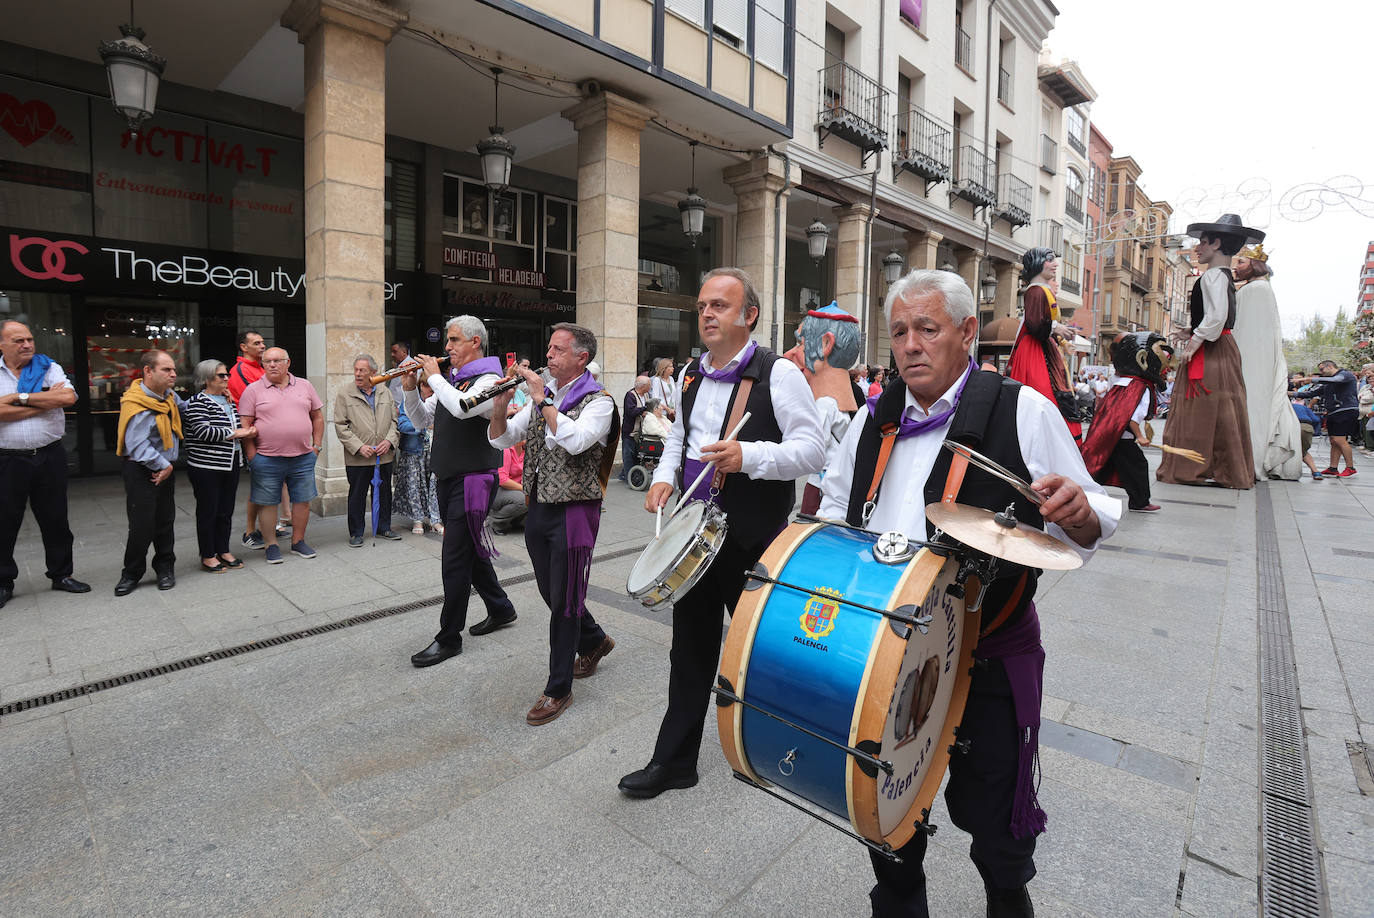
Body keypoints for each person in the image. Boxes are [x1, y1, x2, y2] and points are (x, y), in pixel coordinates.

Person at [817, 268, 1119, 918]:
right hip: (883, 658)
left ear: (966, 332)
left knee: (997, 819)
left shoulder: (1023, 409)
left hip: (987, 651)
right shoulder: (875, 419)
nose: (911, 345)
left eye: (927, 328)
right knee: (886, 805)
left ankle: (1007, 898)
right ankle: (899, 899)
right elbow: (833, 511)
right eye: (899, 332)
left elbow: (1091, 508)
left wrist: (1078, 513)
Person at [619, 267, 825, 798]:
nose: (707, 314)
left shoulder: (778, 374)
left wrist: (749, 455)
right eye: (704, 305)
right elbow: (678, 441)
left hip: (752, 537)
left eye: (720, 306)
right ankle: (674, 761)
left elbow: (812, 451)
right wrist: (664, 479)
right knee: (688, 651)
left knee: (759, 649)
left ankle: (777, 748)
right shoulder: (689, 374)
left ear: (749, 315)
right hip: (694, 536)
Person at [489, 322, 620, 726]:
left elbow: (577, 439)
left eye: (558, 350)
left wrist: (543, 399)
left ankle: (558, 688)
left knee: (564, 601)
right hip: (539, 507)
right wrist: (501, 401)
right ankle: (595, 639)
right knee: (551, 590)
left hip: (576, 511)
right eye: (549, 348)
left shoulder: (600, 401)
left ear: (582, 358)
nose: (548, 356)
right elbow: (502, 438)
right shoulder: (538, 395)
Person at [403, 316, 519, 669]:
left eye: (454, 340)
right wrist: (410, 387)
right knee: (469, 553)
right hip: (450, 478)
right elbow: (422, 419)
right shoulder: (455, 380)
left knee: (454, 557)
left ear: (475, 342)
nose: (447, 347)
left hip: (474, 480)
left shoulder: (489, 380)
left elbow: (462, 407)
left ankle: (448, 637)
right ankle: (501, 608)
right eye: (448, 341)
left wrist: (433, 378)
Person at [1157, 214, 1262, 489]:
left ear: (1216, 243)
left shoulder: (1213, 276)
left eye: (1202, 242)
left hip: (1212, 352)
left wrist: (1193, 344)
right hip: (1222, 349)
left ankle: (1195, 468)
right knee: (1222, 410)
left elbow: (1215, 319)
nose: (1197, 248)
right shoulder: (1224, 276)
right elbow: (1218, 320)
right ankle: (1223, 469)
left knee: (1199, 410)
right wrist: (1192, 332)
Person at [0, 320, 88, 608]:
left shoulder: (48, 367)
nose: (27, 345)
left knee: (56, 520)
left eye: (29, 339)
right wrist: (43, 404)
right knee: (5, 522)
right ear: (2, 344)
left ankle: (61, 574)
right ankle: (3, 582)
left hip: (49, 455)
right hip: (8, 460)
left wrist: (18, 399)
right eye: (18, 341)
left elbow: (68, 397)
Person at [237, 348, 325, 563]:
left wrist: (316, 447)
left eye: (277, 361)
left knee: (302, 501)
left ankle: (298, 542)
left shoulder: (304, 385)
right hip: (266, 458)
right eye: (267, 361)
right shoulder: (253, 390)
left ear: (288, 363)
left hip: (303, 456)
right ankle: (271, 544)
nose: (272, 365)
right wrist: (253, 456)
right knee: (267, 503)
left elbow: (318, 418)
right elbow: (245, 426)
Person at [114, 350, 185, 596]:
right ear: (148, 371)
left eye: (174, 369)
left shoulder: (169, 397)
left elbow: (184, 409)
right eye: (166, 369)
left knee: (165, 522)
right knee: (142, 525)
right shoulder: (136, 403)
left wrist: (216, 394)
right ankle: (131, 573)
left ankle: (165, 568)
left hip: (165, 468)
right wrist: (163, 466)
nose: (173, 374)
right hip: (142, 470)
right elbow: (137, 445)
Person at [781, 301, 863, 515]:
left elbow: (809, 448)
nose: (789, 353)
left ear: (826, 344)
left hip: (821, 486)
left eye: (800, 344)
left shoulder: (824, 405)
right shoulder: (851, 402)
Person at [1079, 333, 1171, 513]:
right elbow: (1131, 416)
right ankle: (1139, 501)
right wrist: (1140, 436)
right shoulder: (1139, 386)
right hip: (1123, 436)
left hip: (1111, 434)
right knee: (1138, 466)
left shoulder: (1123, 381)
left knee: (1104, 466)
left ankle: (1085, 492)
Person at [1232, 245, 1302, 480]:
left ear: (1255, 264)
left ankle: (1252, 458)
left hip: (1252, 362)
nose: (1235, 266)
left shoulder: (1257, 289)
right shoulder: (1257, 288)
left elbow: (1247, 331)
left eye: (1241, 262)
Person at [181, 359, 256, 572]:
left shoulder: (229, 401)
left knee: (225, 511)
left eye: (227, 375)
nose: (226, 379)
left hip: (230, 463)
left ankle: (223, 549)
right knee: (208, 511)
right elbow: (203, 431)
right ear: (206, 379)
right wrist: (238, 433)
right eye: (221, 375)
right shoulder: (197, 402)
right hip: (206, 467)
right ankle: (207, 554)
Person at [1008, 247, 1082, 440]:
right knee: (1042, 391)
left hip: (1040, 347)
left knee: (1048, 391)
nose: (1055, 264)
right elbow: (1035, 323)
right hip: (1034, 350)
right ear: (1038, 262)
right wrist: (1056, 328)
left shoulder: (1042, 291)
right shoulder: (1036, 291)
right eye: (1050, 259)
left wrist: (1060, 335)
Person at [227, 330, 287, 549]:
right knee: (260, 483)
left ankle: (265, 527)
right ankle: (250, 531)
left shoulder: (258, 368)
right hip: (256, 436)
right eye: (257, 343)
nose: (262, 346)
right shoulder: (241, 370)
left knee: (270, 484)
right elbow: (255, 403)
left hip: (269, 436)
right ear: (244, 347)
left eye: (263, 342)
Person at [335, 354, 402, 546]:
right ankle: (356, 533)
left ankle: (384, 527)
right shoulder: (344, 393)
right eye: (355, 369)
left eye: (362, 370)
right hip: (359, 457)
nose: (357, 374)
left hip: (384, 455)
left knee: (384, 493)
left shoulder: (384, 391)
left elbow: (394, 421)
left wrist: (389, 442)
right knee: (357, 495)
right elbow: (340, 425)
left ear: (373, 372)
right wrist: (358, 447)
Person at [1295, 360, 1360, 477]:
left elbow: (1336, 380)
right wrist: (1290, 394)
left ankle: (1350, 467)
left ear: (1330, 366)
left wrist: (1311, 380)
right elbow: (1311, 393)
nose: (1321, 373)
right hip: (1333, 412)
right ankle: (1333, 468)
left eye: (1322, 370)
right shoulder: (1328, 383)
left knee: (1340, 440)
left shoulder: (1345, 375)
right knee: (1334, 441)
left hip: (1345, 410)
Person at [394, 375, 441, 535]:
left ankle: (435, 519)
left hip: (434, 451)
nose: (430, 391)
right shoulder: (409, 403)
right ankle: (417, 519)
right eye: (427, 386)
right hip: (413, 451)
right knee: (414, 486)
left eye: (432, 388)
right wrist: (422, 425)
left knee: (434, 486)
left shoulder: (439, 402)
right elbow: (402, 424)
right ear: (420, 386)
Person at [489, 441, 528, 534]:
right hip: (498, 491)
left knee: (533, 496)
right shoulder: (506, 450)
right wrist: (525, 489)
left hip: (515, 490)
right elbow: (502, 480)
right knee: (524, 499)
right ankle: (496, 521)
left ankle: (515, 522)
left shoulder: (526, 452)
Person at [618, 375, 651, 481]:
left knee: (636, 455)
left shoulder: (646, 395)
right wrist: (643, 409)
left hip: (640, 431)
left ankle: (627, 474)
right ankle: (629, 478)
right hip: (630, 431)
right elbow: (631, 412)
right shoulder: (630, 395)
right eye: (649, 384)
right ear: (643, 386)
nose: (650, 386)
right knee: (628, 455)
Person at [1291, 396, 1325, 480]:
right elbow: (1316, 419)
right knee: (1303, 450)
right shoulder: (1303, 407)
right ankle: (1316, 471)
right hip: (1307, 427)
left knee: (1292, 449)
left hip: (1294, 426)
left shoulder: (1286, 407)